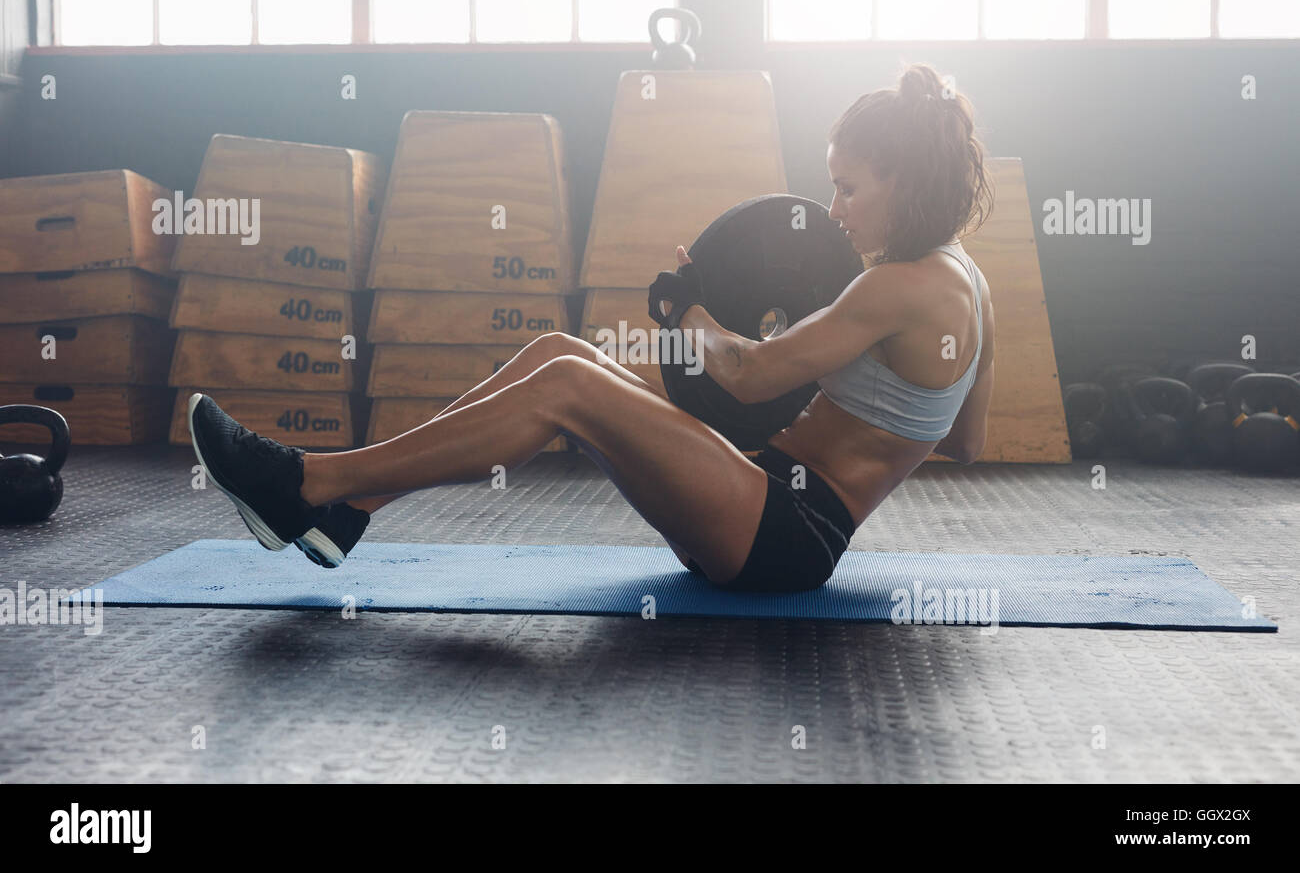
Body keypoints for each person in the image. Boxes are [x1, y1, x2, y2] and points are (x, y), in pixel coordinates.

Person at [187, 62, 996, 593]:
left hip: (782, 534)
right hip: (766, 500)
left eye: (848, 189)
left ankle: (309, 485)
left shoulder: (895, 286)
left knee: (569, 384)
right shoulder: (971, 285)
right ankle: (348, 511)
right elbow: (965, 444)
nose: (834, 211)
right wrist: (872, 427)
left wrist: (691, 311)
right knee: (559, 352)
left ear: (906, 181)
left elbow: (752, 374)